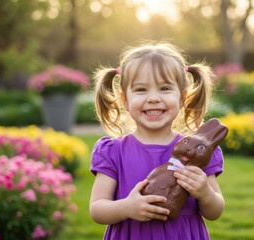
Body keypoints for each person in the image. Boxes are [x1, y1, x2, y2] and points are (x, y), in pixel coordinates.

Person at [90, 42, 225, 240]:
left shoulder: (197, 152)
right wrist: (125, 208)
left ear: (182, 97)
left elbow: (215, 212)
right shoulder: (113, 151)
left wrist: (205, 193)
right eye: (141, 90)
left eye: (164, 88)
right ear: (125, 100)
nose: (153, 98)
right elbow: (97, 209)